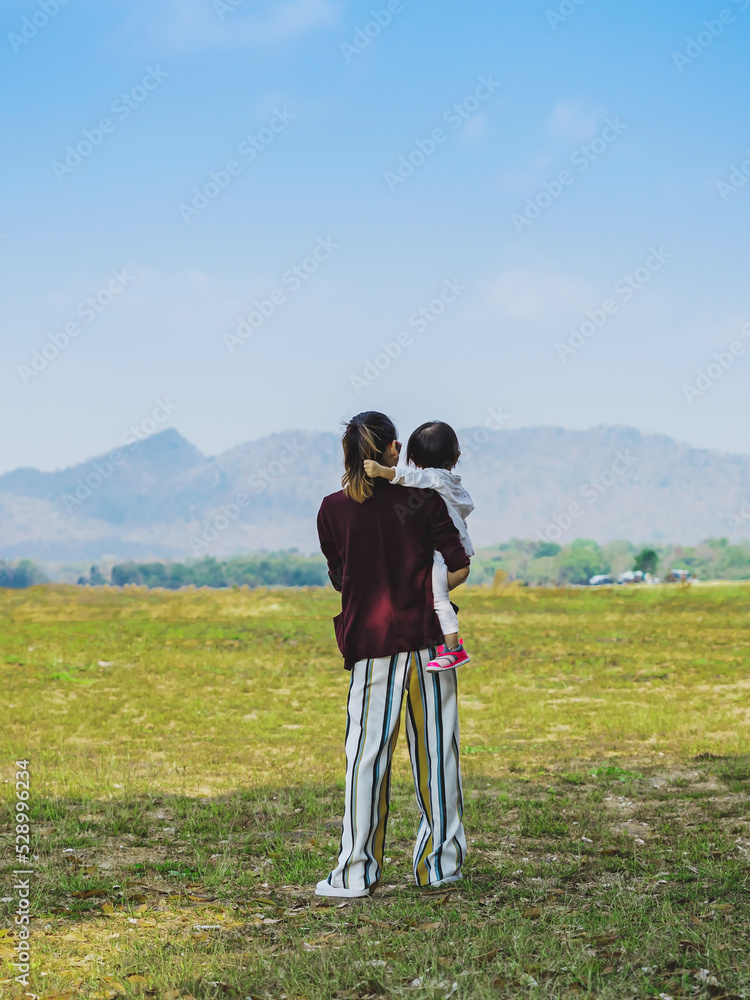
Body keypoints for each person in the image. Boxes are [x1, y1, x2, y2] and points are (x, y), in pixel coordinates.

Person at [316, 411, 470, 898]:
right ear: (394, 450)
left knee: (365, 758)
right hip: (427, 641)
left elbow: (340, 578)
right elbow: (460, 565)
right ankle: (439, 867)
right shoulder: (425, 500)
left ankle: (355, 873)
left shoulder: (331, 510)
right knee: (437, 755)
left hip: (371, 646)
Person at [364, 420, 474, 672]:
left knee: (438, 599)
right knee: (433, 595)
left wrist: (383, 471)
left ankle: (453, 649)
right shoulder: (451, 481)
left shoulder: (433, 479)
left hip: (445, 554)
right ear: (456, 456)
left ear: (412, 458)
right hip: (455, 550)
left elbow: (411, 477)